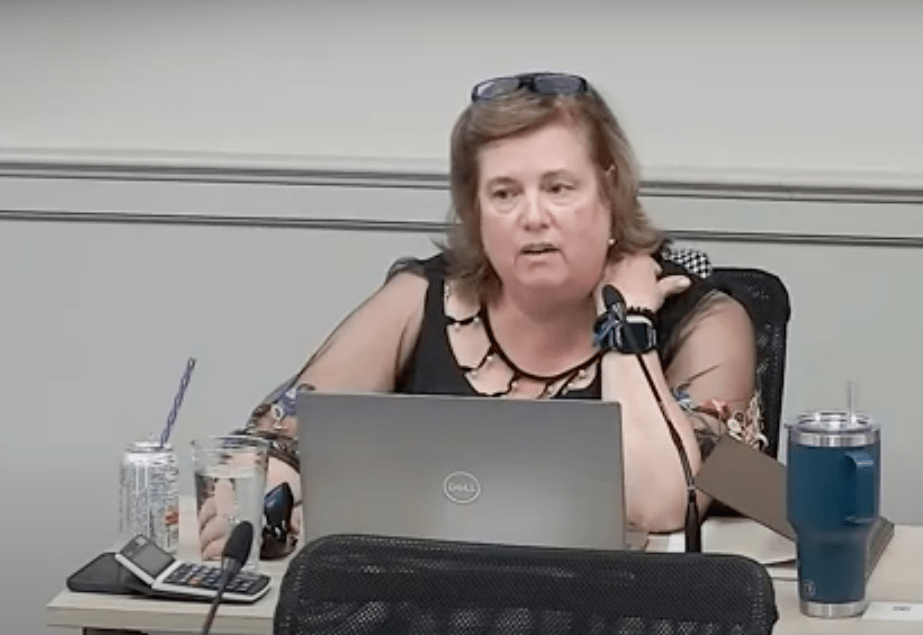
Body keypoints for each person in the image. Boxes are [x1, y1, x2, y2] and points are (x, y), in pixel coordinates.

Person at [197, 72, 765, 560]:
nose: (532, 217)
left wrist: (627, 324)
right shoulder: (421, 298)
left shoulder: (708, 320)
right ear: (476, 209)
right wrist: (262, 495)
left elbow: (661, 504)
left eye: (559, 188)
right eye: (504, 194)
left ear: (609, 192)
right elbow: (273, 439)